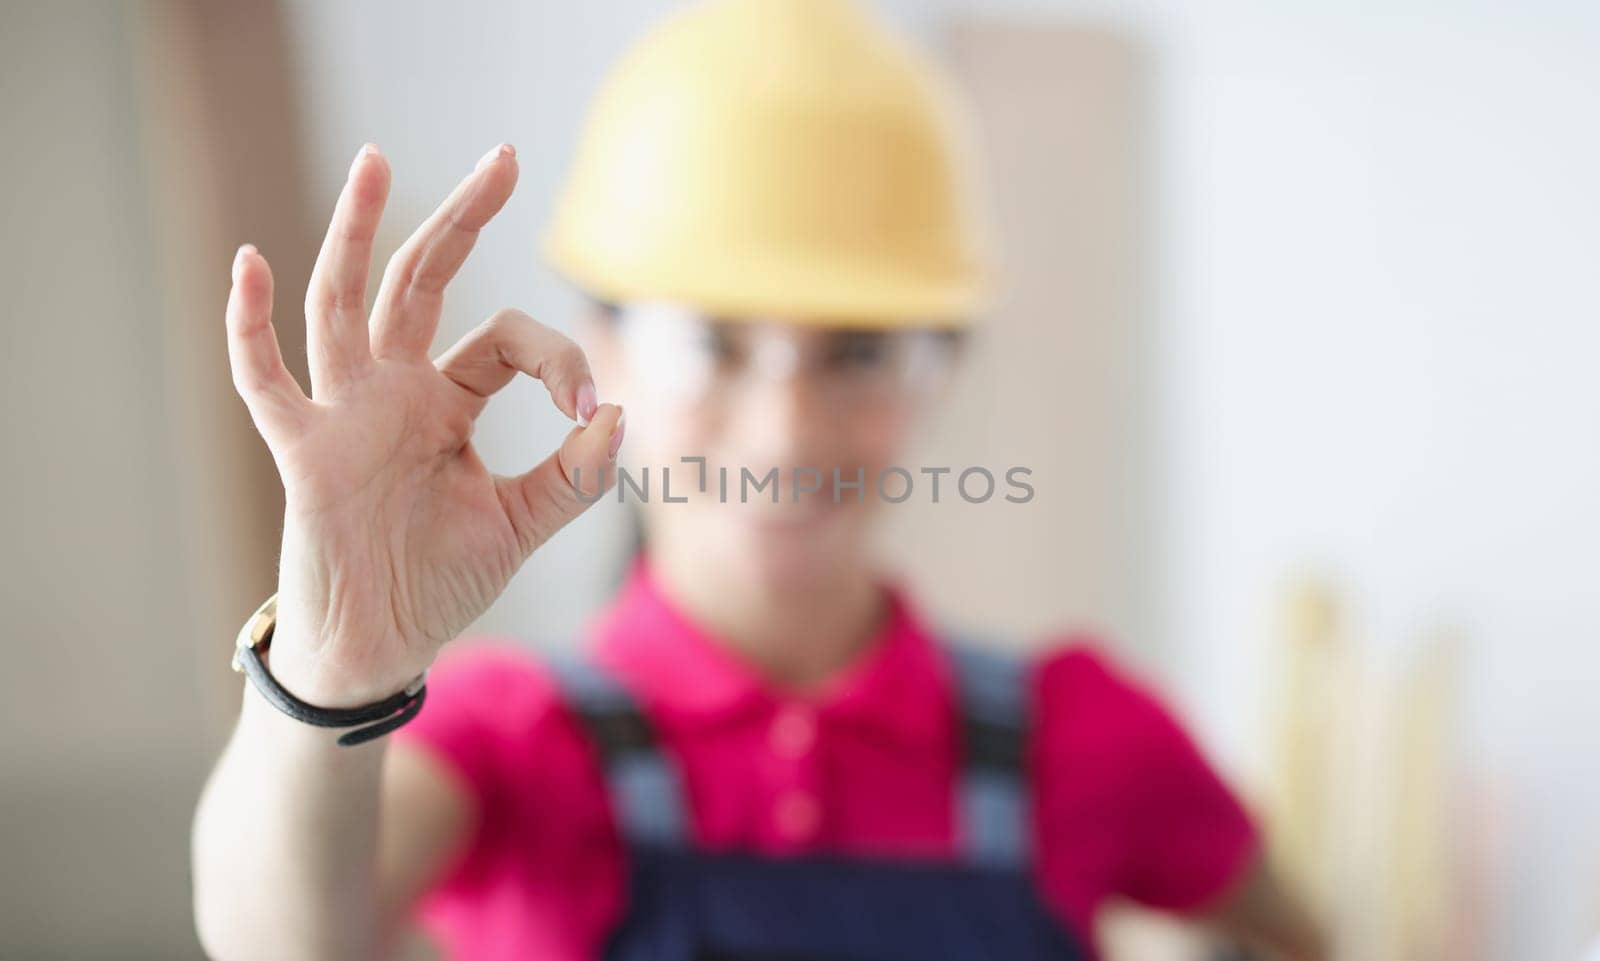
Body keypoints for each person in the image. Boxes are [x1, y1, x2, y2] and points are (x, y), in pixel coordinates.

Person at [191, 1, 1326, 959]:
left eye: (858, 353)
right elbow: (279, 937)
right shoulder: (513, 741)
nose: (787, 430)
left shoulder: (1082, 737)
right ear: (603, 346)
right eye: (713, 344)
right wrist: (329, 677)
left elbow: (1305, 935)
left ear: (941, 374)